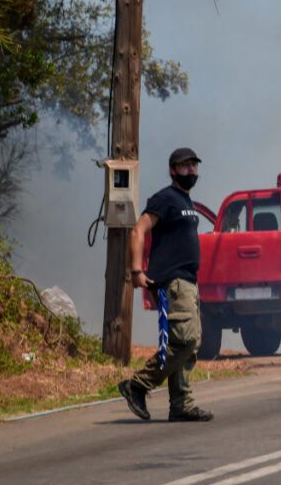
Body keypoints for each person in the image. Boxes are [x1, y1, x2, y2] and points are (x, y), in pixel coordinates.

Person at [119, 147, 213, 422]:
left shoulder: (186, 201)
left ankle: (181, 404)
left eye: (194, 166)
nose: (191, 171)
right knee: (183, 341)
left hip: (188, 281)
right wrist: (136, 270)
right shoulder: (166, 198)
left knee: (191, 344)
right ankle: (137, 385)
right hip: (173, 281)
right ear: (172, 170)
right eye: (185, 166)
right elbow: (138, 230)